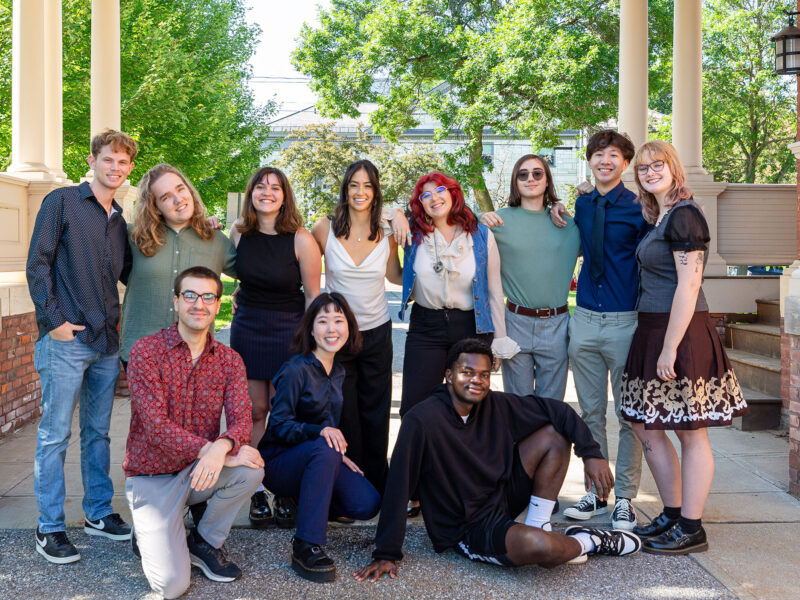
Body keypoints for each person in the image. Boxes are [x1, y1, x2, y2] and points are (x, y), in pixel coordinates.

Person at [353, 338, 641, 582]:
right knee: (542, 551)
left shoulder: (496, 405)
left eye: (483, 374)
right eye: (467, 372)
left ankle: (539, 522)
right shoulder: (422, 420)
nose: (476, 381)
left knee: (553, 435)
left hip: (501, 499)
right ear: (449, 375)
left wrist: (591, 453)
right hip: (467, 528)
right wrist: (386, 553)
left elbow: (559, 411)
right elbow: (398, 485)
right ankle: (590, 540)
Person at [620, 141, 747, 555]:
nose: (651, 171)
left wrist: (670, 347)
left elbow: (690, 285)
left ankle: (692, 526)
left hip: (681, 332)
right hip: (652, 328)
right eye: (643, 168)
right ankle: (673, 514)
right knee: (645, 423)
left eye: (658, 165)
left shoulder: (686, 215)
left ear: (674, 168)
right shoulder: (660, 217)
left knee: (690, 431)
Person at [26, 129, 135, 564]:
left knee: (98, 433)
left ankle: (97, 512)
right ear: (92, 160)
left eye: (123, 162)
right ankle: (49, 527)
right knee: (55, 435)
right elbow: (38, 262)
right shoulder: (63, 202)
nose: (115, 167)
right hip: (68, 339)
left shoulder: (119, 221)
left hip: (106, 341)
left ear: (129, 169)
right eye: (108, 159)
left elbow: (131, 272)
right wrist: (54, 322)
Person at [124, 266, 263, 597]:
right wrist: (216, 452)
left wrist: (224, 447)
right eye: (189, 295)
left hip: (198, 472)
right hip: (152, 478)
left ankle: (204, 541)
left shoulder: (229, 360)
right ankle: (147, 530)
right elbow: (156, 428)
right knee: (171, 586)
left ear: (218, 305)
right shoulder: (146, 352)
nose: (198, 304)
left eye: (207, 297)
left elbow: (244, 419)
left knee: (251, 468)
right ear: (176, 301)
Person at [551, 130, 648, 531]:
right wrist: (560, 205)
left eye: (613, 155)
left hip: (626, 322)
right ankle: (597, 491)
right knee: (590, 412)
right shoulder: (583, 203)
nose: (605, 160)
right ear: (589, 160)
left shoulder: (641, 207)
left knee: (629, 415)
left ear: (625, 163)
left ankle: (625, 498)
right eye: (598, 154)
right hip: (585, 320)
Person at [259, 292, 381, 583]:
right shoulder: (295, 369)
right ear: (310, 329)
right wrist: (321, 437)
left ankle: (306, 501)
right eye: (323, 321)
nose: (331, 329)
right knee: (325, 450)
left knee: (367, 503)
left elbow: (328, 428)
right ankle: (305, 544)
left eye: (339, 321)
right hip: (279, 463)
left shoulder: (338, 371)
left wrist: (337, 453)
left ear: (349, 327)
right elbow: (278, 426)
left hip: (316, 456)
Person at [229, 166, 322, 529]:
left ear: (285, 195)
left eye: (276, 187)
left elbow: (313, 295)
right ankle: (253, 490)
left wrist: (314, 346)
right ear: (251, 192)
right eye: (261, 187)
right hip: (248, 327)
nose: (267, 192)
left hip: (290, 329)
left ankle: (283, 488)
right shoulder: (238, 232)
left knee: (285, 412)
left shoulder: (300, 238)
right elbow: (237, 277)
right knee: (254, 410)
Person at [311, 159, 405, 496]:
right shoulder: (324, 228)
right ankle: (347, 488)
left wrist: (404, 223)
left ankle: (376, 486)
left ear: (376, 189)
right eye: (354, 184)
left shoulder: (388, 232)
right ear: (345, 189)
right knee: (343, 412)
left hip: (377, 331)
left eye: (367, 185)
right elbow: (299, 263)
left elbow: (394, 276)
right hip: (337, 338)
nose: (360, 191)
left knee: (375, 411)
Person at [479, 154, 580, 401]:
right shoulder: (496, 221)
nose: (530, 178)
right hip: (515, 322)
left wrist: (585, 194)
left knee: (551, 406)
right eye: (523, 174)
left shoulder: (568, 225)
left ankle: (547, 442)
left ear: (547, 181)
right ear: (515, 182)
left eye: (538, 173)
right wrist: (479, 219)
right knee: (517, 404)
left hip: (556, 324)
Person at [120, 163, 237, 369]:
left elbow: (256, 273)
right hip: (142, 356)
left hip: (196, 357)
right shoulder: (133, 237)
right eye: (165, 197)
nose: (178, 199)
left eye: (180, 189)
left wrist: (241, 290)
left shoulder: (215, 239)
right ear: (154, 206)